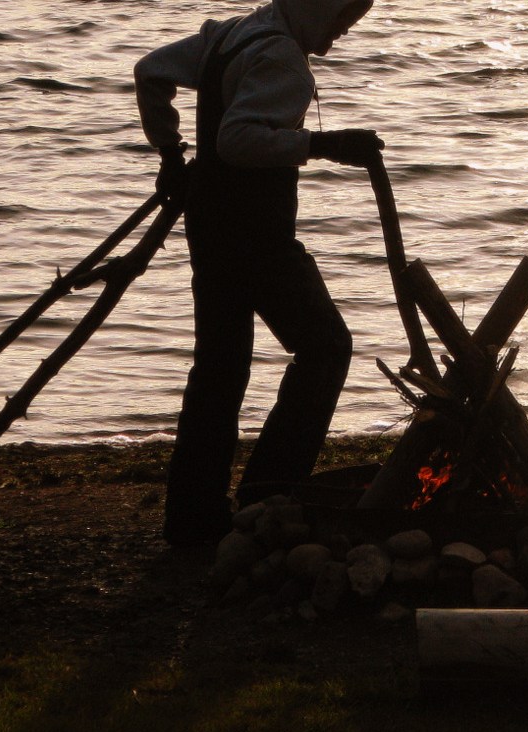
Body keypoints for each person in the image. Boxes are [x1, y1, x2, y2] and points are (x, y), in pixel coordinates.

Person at [134, 0, 382, 546]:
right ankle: (269, 496)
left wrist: (170, 151)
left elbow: (150, 71)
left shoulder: (231, 34)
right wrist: (324, 144)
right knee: (326, 348)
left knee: (219, 370)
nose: (341, 34)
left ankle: (193, 519)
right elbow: (237, 140)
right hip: (257, 237)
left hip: (210, 227)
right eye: (341, 20)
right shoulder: (284, 59)